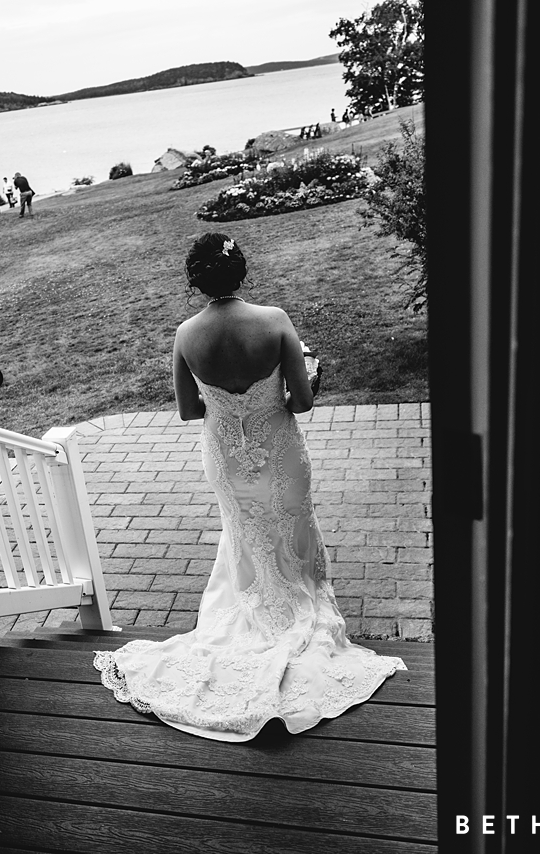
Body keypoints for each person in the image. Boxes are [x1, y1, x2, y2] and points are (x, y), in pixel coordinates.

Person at [93, 233, 406, 741]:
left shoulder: (185, 335)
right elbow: (301, 403)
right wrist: (309, 374)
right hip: (279, 448)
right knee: (290, 523)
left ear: (196, 279)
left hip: (225, 455)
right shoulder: (275, 321)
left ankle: (258, 605)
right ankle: (296, 606)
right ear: (241, 271)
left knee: (247, 534)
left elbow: (190, 410)